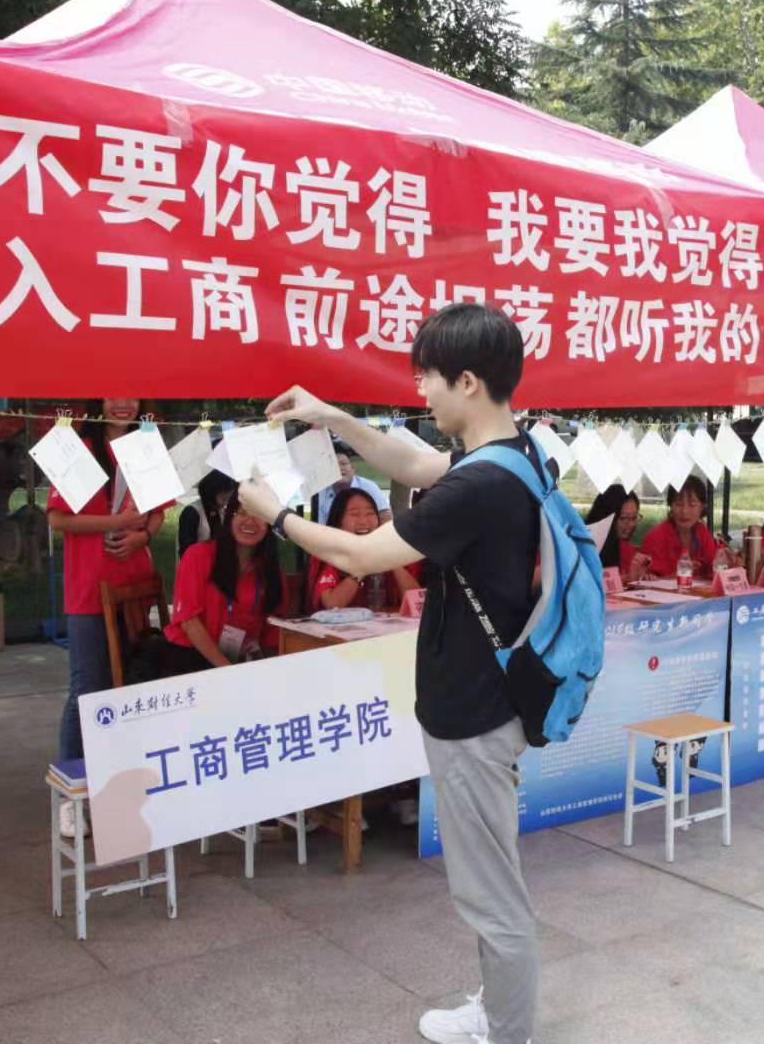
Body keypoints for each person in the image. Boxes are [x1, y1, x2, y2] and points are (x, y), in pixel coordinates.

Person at [238, 304, 546, 1044]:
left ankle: (507, 1029)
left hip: (474, 713)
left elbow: (359, 553)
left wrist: (276, 515)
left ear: (467, 382)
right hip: (488, 702)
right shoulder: (516, 455)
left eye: (429, 378)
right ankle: (500, 1008)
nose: (421, 392)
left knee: (490, 890)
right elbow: (409, 462)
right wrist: (329, 415)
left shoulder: (480, 485)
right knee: (489, 878)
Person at [46, 399, 164, 838]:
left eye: (131, 394)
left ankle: (122, 790)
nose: (122, 403)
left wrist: (142, 535)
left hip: (134, 588)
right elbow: (59, 519)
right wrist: (116, 521)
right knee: (87, 690)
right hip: (87, 591)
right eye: (114, 393)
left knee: (131, 688)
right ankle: (72, 798)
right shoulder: (78, 447)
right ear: (99, 399)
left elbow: (159, 513)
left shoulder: (146, 446)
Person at [134, 487, 290, 679]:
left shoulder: (272, 572)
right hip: (187, 661)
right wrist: (228, 672)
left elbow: (273, 633)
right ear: (229, 517)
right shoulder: (199, 556)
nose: (250, 521)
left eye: (259, 515)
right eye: (241, 513)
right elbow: (190, 623)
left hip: (238, 665)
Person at [309, 486, 422, 610]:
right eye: (354, 514)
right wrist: (362, 568)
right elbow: (332, 604)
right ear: (338, 522)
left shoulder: (394, 550)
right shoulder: (328, 554)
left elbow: (417, 601)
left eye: (370, 513)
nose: (363, 521)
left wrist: (390, 560)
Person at [639, 475, 725, 579]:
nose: (685, 511)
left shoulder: (702, 533)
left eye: (692, 505)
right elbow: (643, 581)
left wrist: (729, 562)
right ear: (671, 505)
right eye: (679, 504)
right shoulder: (655, 537)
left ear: (702, 507)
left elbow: (714, 571)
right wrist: (677, 575)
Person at [314, 441, 392, 525]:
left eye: (343, 463)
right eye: (334, 465)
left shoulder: (368, 487)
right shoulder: (321, 491)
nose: (339, 468)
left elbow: (386, 517)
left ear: (353, 468)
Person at [586, 486, 650, 582]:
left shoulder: (626, 548)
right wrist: (627, 579)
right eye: (623, 518)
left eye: (634, 518)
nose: (631, 524)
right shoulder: (587, 546)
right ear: (606, 516)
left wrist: (641, 577)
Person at [176, 467, 236, 560]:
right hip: (195, 563)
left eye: (228, 499)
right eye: (223, 498)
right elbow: (186, 549)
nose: (225, 503)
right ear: (211, 492)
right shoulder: (192, 512)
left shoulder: (221, 512)